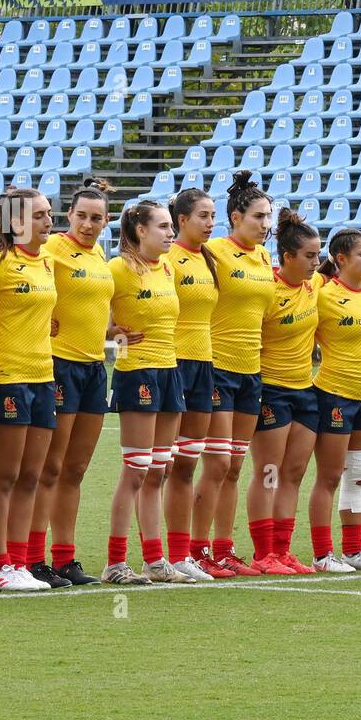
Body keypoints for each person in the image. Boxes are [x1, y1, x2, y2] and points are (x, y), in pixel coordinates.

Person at [27, 181, 117, 587]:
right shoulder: (51, 250)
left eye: (96, 218)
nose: (88, 223)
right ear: (69, 216)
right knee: (51, 466)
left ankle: (64, 558)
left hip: (94, 367)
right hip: (58, 366)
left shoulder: (100, 253)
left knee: (76, 469)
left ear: (106, 221)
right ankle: (32, 558)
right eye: (81, 216)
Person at [191, 171, 276, 576]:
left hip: (250, 372)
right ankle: (195, 548)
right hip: (218, 370)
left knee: (236, 466)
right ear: (235, 217)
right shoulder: (214, 253)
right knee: (217, 464)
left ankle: (223, 549)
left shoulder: (262, 257)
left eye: (268, 217)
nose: (265, 225)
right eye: (258, 216)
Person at [104, 201, 193, 584]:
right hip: (136, 372)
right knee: (135, 471)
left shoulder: (168, 267)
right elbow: (96, 314)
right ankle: (115, 563)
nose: (171, 233)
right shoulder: (117, 269)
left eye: (171, 226)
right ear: (140, 230)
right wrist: (111, 333)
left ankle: (155, 561)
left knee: (160, 470)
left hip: (169, 372)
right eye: (163, 226)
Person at [0, 187, 58, 590]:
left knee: (32, 475)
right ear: (15, 221)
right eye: (41, 215)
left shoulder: (47, 260)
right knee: (4, 476)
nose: (49, 221)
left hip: (44, 377)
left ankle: (22, 561)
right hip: (6, 376)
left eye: (49, 214)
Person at [245, 209, 323, 576]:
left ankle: (283, 550)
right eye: (309, 256)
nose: (315, 263)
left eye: (319, 256)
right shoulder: (268, 290)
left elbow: (346, 273)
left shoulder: (315, 285)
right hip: (272, 390)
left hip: (306, 391)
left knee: (293, 473)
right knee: (269, 471)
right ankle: (263, 554)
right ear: (287, 257)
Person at [161, 188, 228, 579]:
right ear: (181, 220)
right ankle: (158, 555)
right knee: (160, 467)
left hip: (204, 365)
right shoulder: (167, 257)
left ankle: (181, 553)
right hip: (171, 363)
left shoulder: (209, 257)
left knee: (187, 464)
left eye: (213, 215)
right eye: (202, 215)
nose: (210, 222)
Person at [308, 228, 361, 572]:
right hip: (334, 395)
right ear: (341, 259)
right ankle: (323, 555)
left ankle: (354, 551)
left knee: (358, 476)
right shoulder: (323, 294)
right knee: (328, 477)